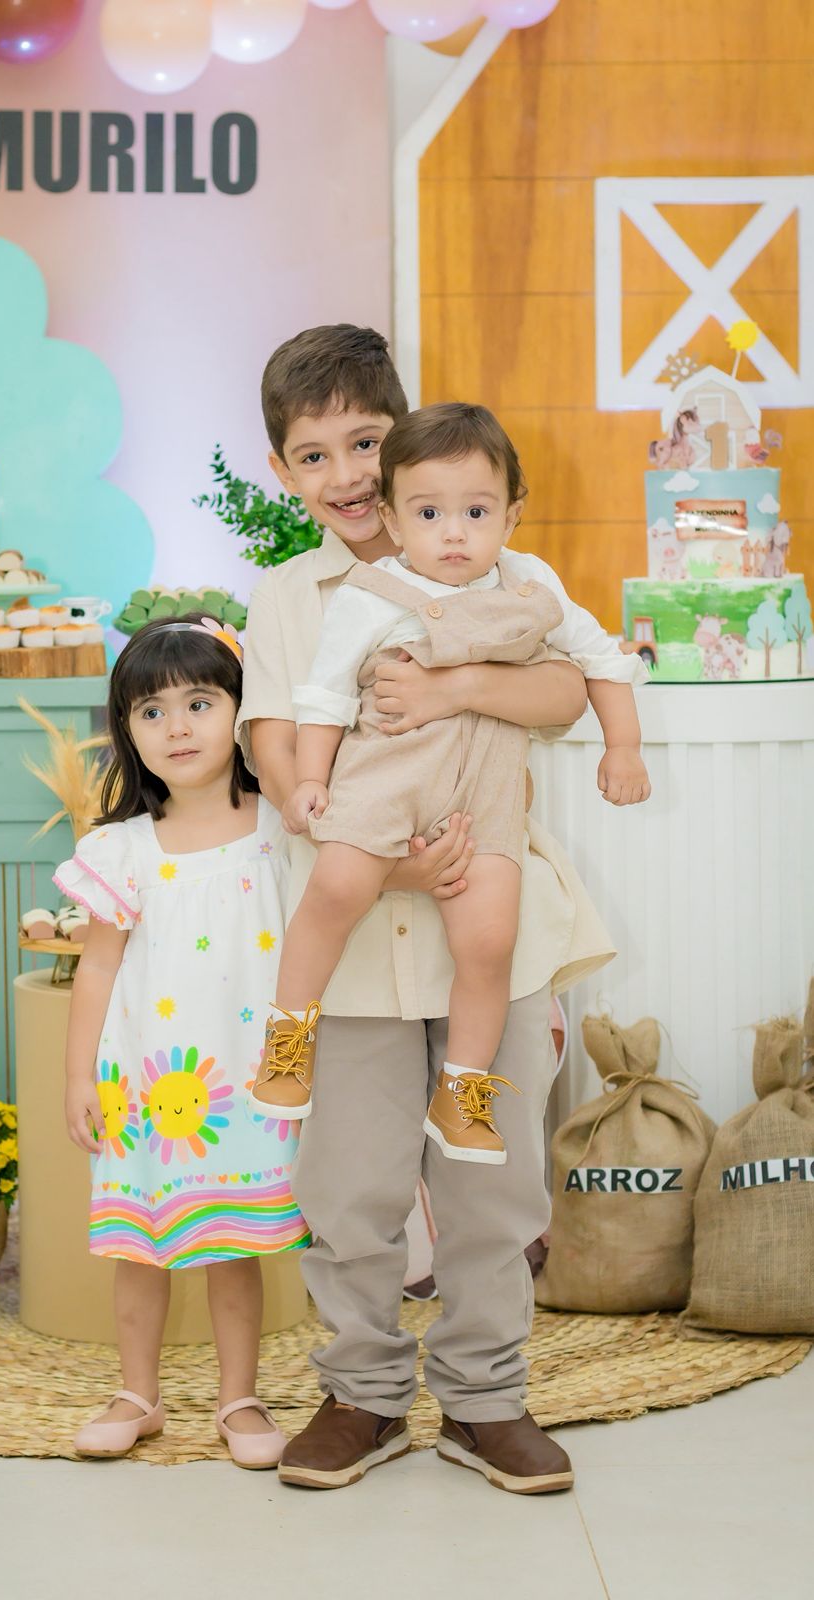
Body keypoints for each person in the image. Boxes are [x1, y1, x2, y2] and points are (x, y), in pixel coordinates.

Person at [237, 324, 617, 1495]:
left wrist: (455, 682)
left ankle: (484, 1398)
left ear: (403, 442)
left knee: (490, 1183)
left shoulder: (501, 567)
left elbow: (567, 691)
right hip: (358, 938)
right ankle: (360, 1392)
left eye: (366, 443)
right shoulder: (291, 596)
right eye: (315, 456)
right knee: (349, 1184)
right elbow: (277, 756)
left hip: (487, 936)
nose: (347, 475)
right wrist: (392, 864)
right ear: (284, 473)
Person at [251, 403, 649, 1166]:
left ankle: (463, 1090)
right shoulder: (369, 594)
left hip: (486, 790)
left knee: (490, 939)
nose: (455, 533)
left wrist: (623, 747)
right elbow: (325, 697)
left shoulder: (532, 584)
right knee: (335, 887)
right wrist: (309, 780)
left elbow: (597, 661)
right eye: (431, 515)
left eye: (476, 512)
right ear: (396, 520)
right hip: (384, 778)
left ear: (512, 514)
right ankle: (288, 1036)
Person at [54, 617, 308, 1469]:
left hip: (248, 1083)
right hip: (146, 1084)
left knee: (234, 1246)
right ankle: (139, 1394)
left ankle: (240, 1398)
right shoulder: (120, 849)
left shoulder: (280, 828)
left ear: (240, 711)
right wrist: (78, 1078)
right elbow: (96, 969)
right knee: (140, 1246)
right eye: (152, 712)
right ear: (126, 731)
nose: (179, 728)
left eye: (200, 703)